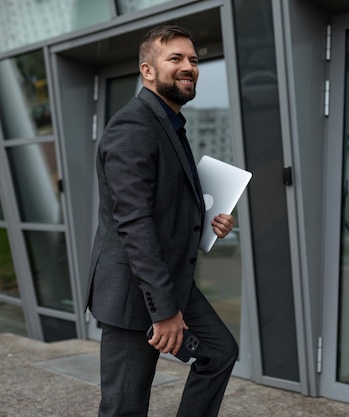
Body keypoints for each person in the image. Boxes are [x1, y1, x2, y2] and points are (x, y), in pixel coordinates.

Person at [85, 24, 239, 417]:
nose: (188, 66)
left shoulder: (169, 123)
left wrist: (208, 221)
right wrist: (165, 312)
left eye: (193, 60)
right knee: (124, 406)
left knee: (219, 353)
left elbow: (164, 201)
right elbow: (133, 222)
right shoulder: (133, 126)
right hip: (135, 289)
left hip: (171, 277)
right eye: (176, 59)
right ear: (148, 70)